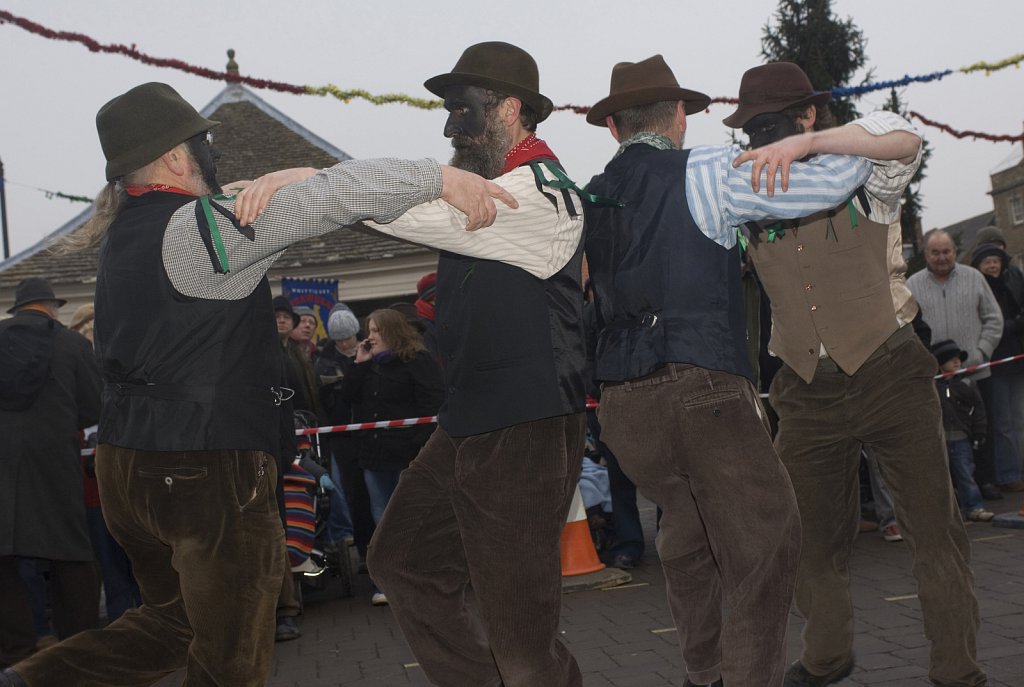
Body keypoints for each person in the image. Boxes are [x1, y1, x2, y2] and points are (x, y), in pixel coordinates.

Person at [0, 81, 513, 687]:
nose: (213, 154)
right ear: (173, 156)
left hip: (127, 465)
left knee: (173, 625)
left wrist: (280, 179)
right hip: (203, 463)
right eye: (205, 143)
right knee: (232, 655)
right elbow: (336, 197)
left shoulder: (126, 235)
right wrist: (440, 178)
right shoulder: (196, 231)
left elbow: (262, 203)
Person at [237, 41, 590, 686]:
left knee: (522, 638)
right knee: (400, 561)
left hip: (525, 427)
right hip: (470, 423)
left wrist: (311, 178)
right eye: (448, 110)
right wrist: (315, 182)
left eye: (465, 109)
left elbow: (413, 210)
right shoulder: (480, 189)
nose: (450, 124)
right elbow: (407, 214)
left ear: (513, 108)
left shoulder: (541, 193)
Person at [582, 55, 925, 687]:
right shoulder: (706, 171)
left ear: (613, 128)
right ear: (681, 115)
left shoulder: (592, 196)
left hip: (623, 407)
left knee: (685, 531)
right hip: (699, 387)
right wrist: (820, 142)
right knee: (767, 538)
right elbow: (827, 187)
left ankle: (702, 673)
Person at [724, 62, 986, 687]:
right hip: (804, 388)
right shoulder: (743, 194)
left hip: (890, 370)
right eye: (751, 128)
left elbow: (905, 138)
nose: (761, 138)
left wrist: (809, 145)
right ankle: (827, 656)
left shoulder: (862, 172)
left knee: (933, 530)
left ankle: (958, 669)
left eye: (775, 125)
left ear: (809, 115)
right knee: (809, 538)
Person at [0, 278, 102, 668]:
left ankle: (15, 654)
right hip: (53, 461)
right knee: (71, 555)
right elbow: (93, 409)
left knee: (3, 561)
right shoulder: (73, 345)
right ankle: (77, 650)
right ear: (52, 307)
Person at [340, 308, 444, 605]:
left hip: (406, 455)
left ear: (391, 332)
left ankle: (422, 576)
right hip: (374, 456)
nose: (369, 337)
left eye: (375, 330)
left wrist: (416, 445)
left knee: (412, 517)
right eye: (368, 330)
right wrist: (358, 366)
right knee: (382, 518)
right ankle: (389, 580)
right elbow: (348, 400)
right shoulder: (370, 365)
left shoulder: (417, 361)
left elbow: (433, 404)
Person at [909, 229, 1004, 502]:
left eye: (946, 251)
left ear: (954, 251)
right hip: (936, 380)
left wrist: (981, 352)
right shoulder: (911, 285)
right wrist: (927, 362)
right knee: (941, 436)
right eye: (935, 252)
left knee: (982, 430)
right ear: (926, 254)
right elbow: (904, 327)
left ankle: (985, 481)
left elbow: (994, 318)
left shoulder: (974, 278)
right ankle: (948, 492)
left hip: (975, 372)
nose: (942, 257)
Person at [971, 242, 1024, 492]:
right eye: (987, 261)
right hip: (995, 365)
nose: (993, 265)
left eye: (996, 260)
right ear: (979, 267)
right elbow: (993, 324)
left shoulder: (1010, 285)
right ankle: (1008, 473)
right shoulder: (979, 290)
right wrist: (1011, 326)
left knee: (1019, 419)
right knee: (1002, 423)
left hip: (1017, 361)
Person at [932, 340, 996, 522]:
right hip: (939, 439)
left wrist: (980, 432)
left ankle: (974, 507)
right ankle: (944, 512)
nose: (957, 362)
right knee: (940, 478)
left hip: (961, 438)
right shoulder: (932, 385)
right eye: (951, 360)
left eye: (958, 359)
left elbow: (979, 409)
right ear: (939, 363)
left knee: (966, 474)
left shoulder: (967, 383)